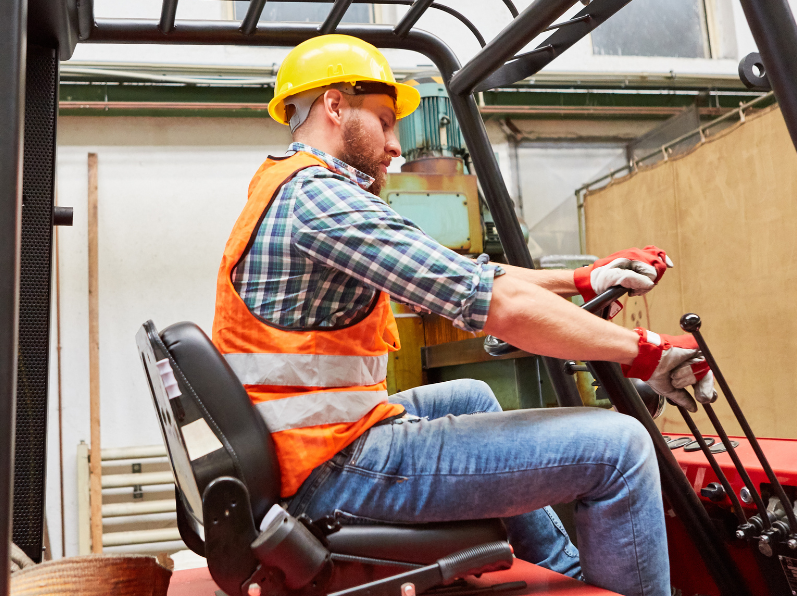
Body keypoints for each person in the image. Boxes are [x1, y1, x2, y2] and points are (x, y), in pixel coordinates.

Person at [211, 35, 715, 596]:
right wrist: (644, 351)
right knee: (621, 448)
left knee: (470, 393)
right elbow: (495, 303)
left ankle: (567, 574)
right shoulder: (324, 201)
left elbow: (458, 272)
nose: (396, 145)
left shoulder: (289, 186)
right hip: (329, 470)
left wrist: (581, 280)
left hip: (306, 449)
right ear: (334, 106)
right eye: (384, 120)